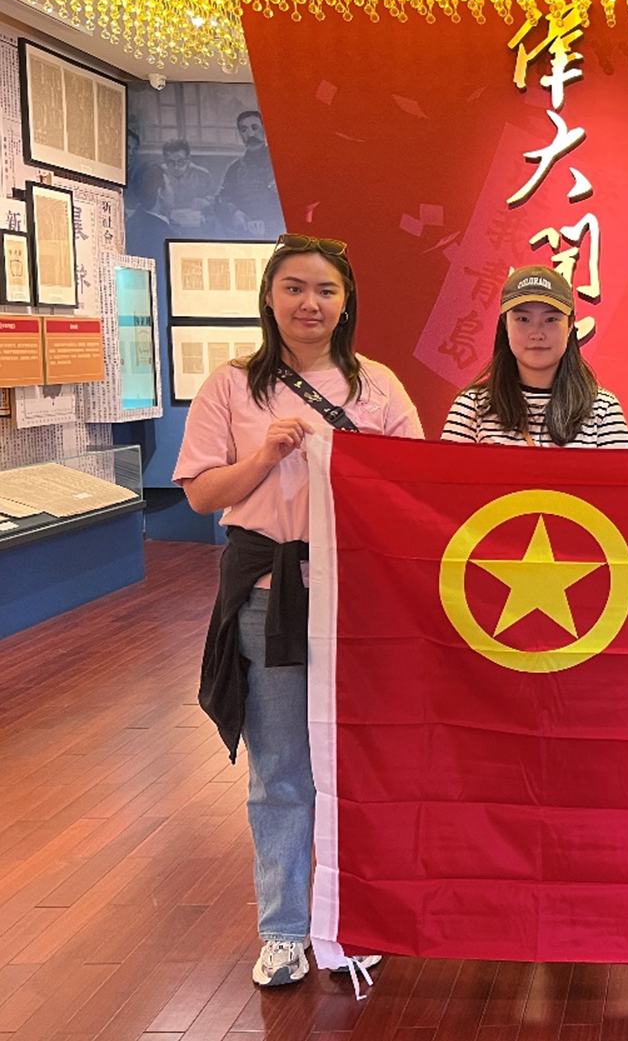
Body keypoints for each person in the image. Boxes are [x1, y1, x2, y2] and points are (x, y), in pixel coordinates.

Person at [174, 234, 423, 987]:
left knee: (359, 765)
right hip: (268, 597)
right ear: (269, 297)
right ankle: (283, 929)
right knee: (280, 769)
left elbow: (415, 483)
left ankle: (354, 918)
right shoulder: (231, 386)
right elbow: (201, 494)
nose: (309, 304)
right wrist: (265, 457)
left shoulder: (377, 386)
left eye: (325, 290)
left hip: (359, 601)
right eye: (293, 287)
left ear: (347, 303)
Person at [442, 265, 628, 447]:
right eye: (523, 319)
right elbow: (447, 470)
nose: (536, 333)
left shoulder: (603, 410)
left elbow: (621, 471)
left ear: (570, 325)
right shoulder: (472, 407)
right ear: (505, 324)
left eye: (551, 319)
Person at [217, 110, 286, 237]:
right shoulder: (235, 169)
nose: (250, 134)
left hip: (278, 231)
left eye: (255, 128)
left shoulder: (282, 164)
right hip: (244, 230)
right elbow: (223, 198)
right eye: (244, 130)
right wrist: (235, 213)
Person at [158, 138, 217, 229]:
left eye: (180, 161)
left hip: (195, 224)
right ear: (165, 160)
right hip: (166, 223)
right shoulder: (158, 173)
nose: (176, 167)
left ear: (188, 158)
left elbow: (216, 197)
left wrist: (207, 201)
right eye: (171, 162)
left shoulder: (203, 174)